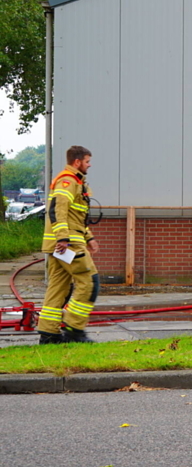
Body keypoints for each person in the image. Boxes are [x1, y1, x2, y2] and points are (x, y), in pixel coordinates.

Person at [38, 146, 100, 344]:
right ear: (77, 162)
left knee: (58, 288)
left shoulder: (75, 182)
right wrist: (64, 238)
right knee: (89, 282)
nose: (89, 165)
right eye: (87, 161)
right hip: (68, 244)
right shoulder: (68, 181)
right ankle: (74, 330)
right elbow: (58, 210)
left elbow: (75, 217)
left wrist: (89, 237)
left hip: (62, 244)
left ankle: (49, 335)